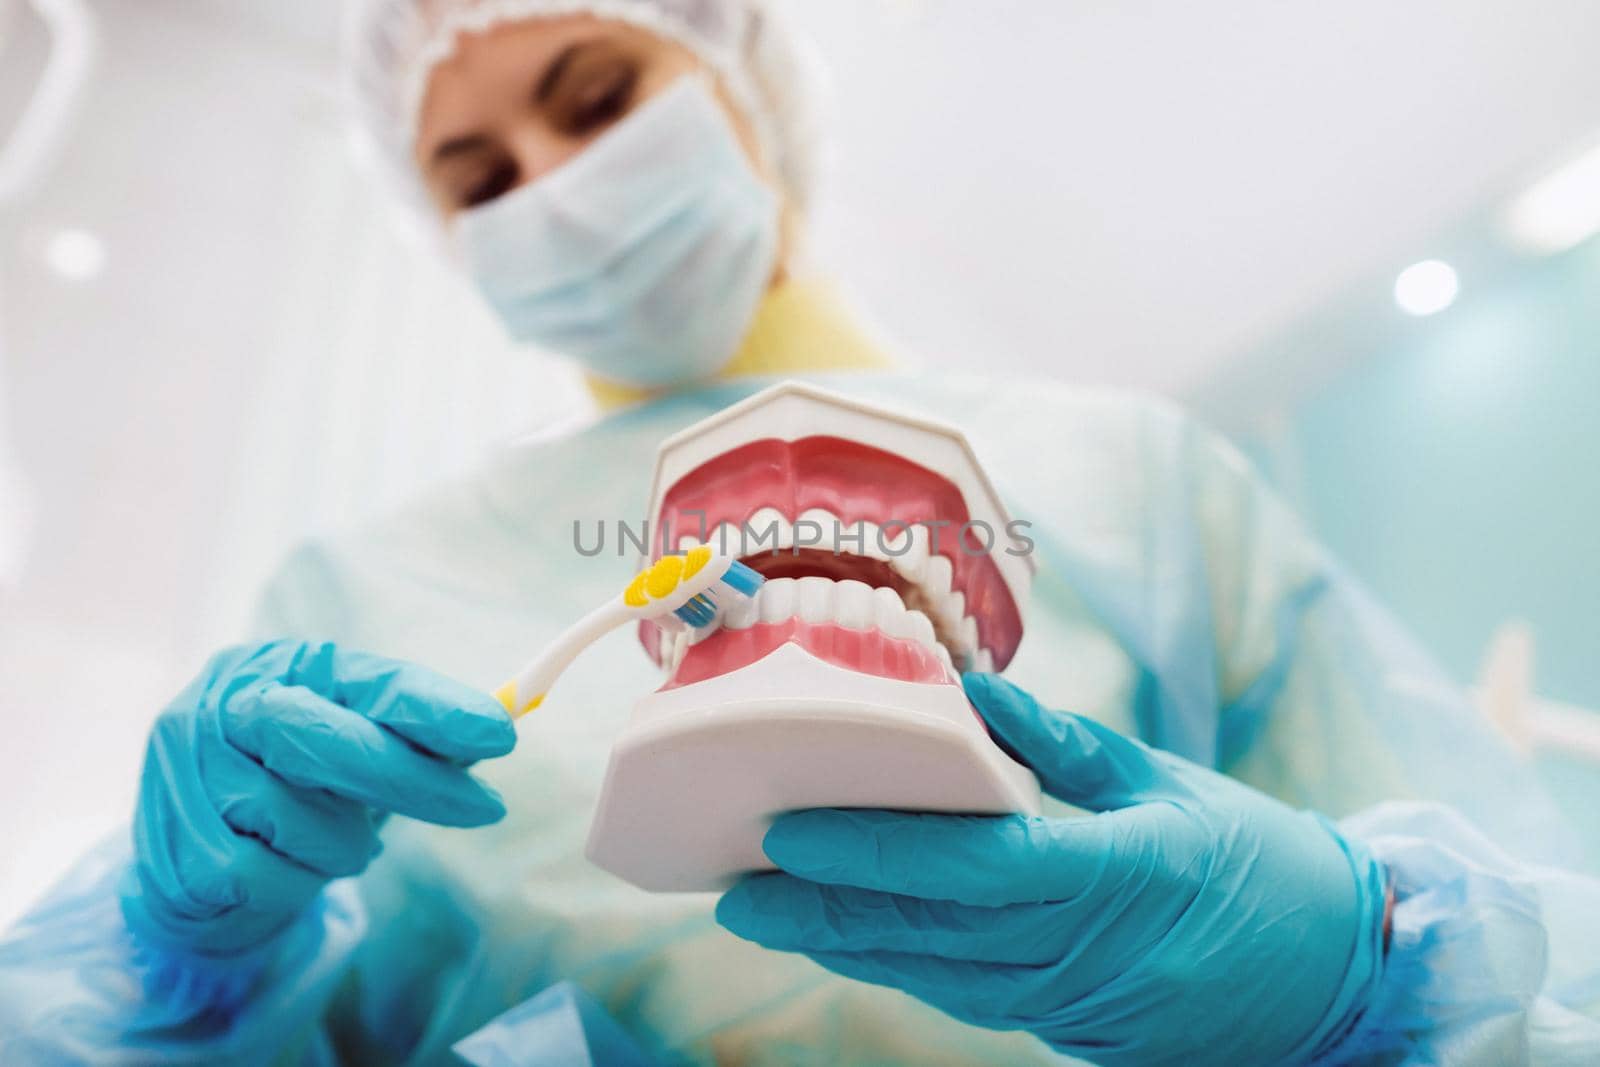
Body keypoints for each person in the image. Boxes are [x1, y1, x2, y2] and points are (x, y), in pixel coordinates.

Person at [2, 1, 1597, 1063]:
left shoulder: (1132, 481)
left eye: (599, 94)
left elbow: (1557, 983)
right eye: (476, 174)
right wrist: (186, 948)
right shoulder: (369, 589)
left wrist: (1351, 960)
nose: (552, 190)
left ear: (747, 86)